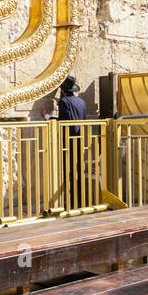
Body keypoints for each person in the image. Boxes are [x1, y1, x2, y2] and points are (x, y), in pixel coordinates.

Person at [55, 77, 88, 209]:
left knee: (68, 170)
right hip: (80, 140)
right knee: (79, 170)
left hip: (68, 141)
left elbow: (63, 121)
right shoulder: (81, 102)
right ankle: (80, 200)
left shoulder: (63, 102)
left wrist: (47, 117)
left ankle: (70, 201)